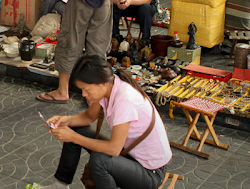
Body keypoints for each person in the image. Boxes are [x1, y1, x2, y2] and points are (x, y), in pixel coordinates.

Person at [40, 55, 171, 189]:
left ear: (101, 83)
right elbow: (88, 117)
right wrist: (65, 120)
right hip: (131, 156)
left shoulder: (124, 99)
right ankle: (60, 186)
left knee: (99, 161)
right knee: (75, 128)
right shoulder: (110, 86)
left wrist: (73, 137)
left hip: (151, 173)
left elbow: (114, 149)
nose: (84, 94)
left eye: (86, 89)